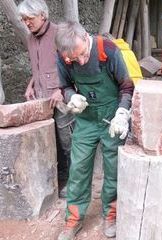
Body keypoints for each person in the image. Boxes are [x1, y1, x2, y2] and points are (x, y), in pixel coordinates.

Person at [55, 21, 134, 240]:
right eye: (73, 59)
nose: (79, 61)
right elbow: (65, 86)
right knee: (78, 168)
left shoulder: (107, 50)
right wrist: (71, 97)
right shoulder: (64, 56)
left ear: (86, 39)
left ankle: (111, 214)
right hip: (86, 118)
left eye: (82, 54)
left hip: (111, 115)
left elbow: (127, 86)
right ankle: (73, 219)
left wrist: (122, 113)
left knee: (113, 168)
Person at [18, 0, 74, 196]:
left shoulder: (59, 34)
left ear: (43, 15)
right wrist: (30, 84)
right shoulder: (31, 38)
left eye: (30, 18)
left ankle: (73, 182)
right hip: (42, 98)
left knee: (67, 142)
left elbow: (72, 64)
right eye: (24, 19)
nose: (27, 23)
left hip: (61, 98)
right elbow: (39, 68)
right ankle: (57, 179)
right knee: (50, 141)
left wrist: (62, 89)